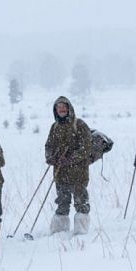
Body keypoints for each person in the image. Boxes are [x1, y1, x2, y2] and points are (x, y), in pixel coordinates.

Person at [45, 96, 92, 235]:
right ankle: (59, 230)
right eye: (58, 108)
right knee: (62, 201)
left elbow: (86, 147)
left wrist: (70, 159)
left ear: (69, 108)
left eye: (64, 107)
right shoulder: (54, 127)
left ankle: (81, 231)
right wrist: (50, 157)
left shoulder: (80, 124)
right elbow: (48, 145)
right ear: (55, 110)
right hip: (60, 172)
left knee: (80, 200)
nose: (61, 110)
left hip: (78, 172)